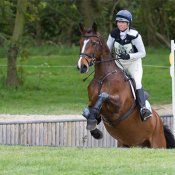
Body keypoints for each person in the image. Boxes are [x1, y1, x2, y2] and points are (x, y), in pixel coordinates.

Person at [106, 10, 152, 122]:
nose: (120, 24)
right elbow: (107, 49)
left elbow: (143, 53)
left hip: (133, 62)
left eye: (123, 22)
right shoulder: (113, 33)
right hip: (118, 62)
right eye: (118, 22)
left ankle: (143, 109)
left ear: (128, 23)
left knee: (137, 82)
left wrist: (129, 56)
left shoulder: (134, 35)